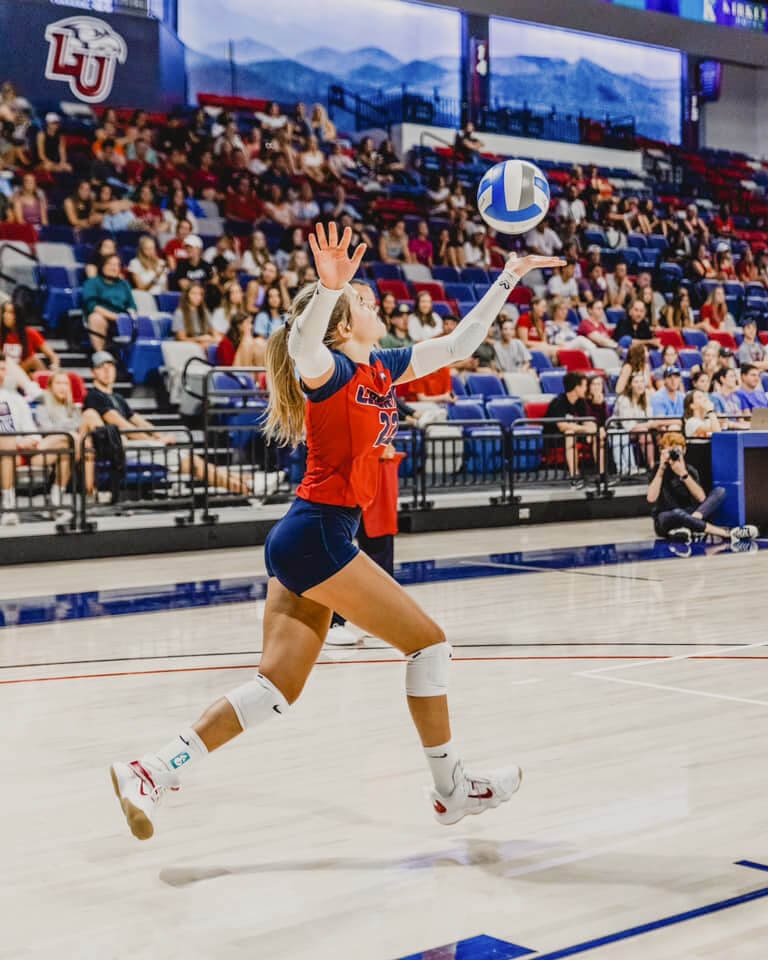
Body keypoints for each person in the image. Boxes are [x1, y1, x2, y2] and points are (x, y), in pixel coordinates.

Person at [108, 223, 564, 840]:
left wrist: (509, 273)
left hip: (305, 537)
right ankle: (452, 787)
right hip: (318, 535)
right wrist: (327, 289)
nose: (376, 304)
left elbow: (460, 343)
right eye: (365, 303)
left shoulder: (380, 367)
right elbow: (302, 346)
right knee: (429, 645)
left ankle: (155, 769)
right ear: (343, 325)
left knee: (275, 690)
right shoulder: (328, 372)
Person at [647, 432, 756, 545]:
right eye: (670, 451)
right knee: (676, 513)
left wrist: (684, 474)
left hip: (690, 512)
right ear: (662, 451)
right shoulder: (657, 469)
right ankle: (727, 533)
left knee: (720, 491)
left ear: (684, 451)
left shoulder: (690, 470)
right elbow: (651, 498)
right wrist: (661, 470)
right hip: (666, 516)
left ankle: (689, 524)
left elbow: (701, 498)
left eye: (677, 451)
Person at [546, 371, 605, 488]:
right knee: (570, 433)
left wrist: (592, 430)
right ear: (576, 387)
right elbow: (562, 426)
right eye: (584, 386)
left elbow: (590, 421)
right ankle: (575, 476)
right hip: (555, 437)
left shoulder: (581, 402)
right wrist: (585, 429)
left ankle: (601, 474)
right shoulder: (558, 402)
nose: (586, 389)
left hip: (577, 433)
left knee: (598, 435)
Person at [82, 254, 137, 352]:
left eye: (117, 265)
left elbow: (132, 305)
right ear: (102, 266)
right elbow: (92, 305)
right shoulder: (92, 283)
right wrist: (114, 317)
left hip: (122, 319)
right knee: (95, 318)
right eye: (110, 264)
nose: (114, 268)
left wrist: (126, 317)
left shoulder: (124, 284)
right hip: (103, 316)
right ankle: (101, 356)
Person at [611, 371, 658, 473]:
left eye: (642, 381)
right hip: (620, 430)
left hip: (641, 429)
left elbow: (650, 418)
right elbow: (628, 425)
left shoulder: (646, 397)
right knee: (644, 432)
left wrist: (652, 424)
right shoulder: (624, 400)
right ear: (630, 385)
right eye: (636, 382)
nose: (640, 384)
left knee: (652, 431)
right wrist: (650, 425)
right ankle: (651, 466)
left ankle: (653, 466)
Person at [0, 301, 58, 373]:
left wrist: (55, 365)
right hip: (3, 372)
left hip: (22, 372)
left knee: (34, 362)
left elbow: (52, 355)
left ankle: (45, 381)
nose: (5, 315)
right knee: (34, 361)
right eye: (4, 312)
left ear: (18, 316)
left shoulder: (30, 333)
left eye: (10, 312)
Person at [172, 283, 218, 348]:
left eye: (200, 294)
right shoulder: (180, 313)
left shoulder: (204, 311)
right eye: (194, 293)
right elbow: (181, 339)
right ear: (187, 295)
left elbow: (214, 332)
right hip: (187, 345)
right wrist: (200, 338)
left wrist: (215, 338)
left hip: (203, 342)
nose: (198, 297)